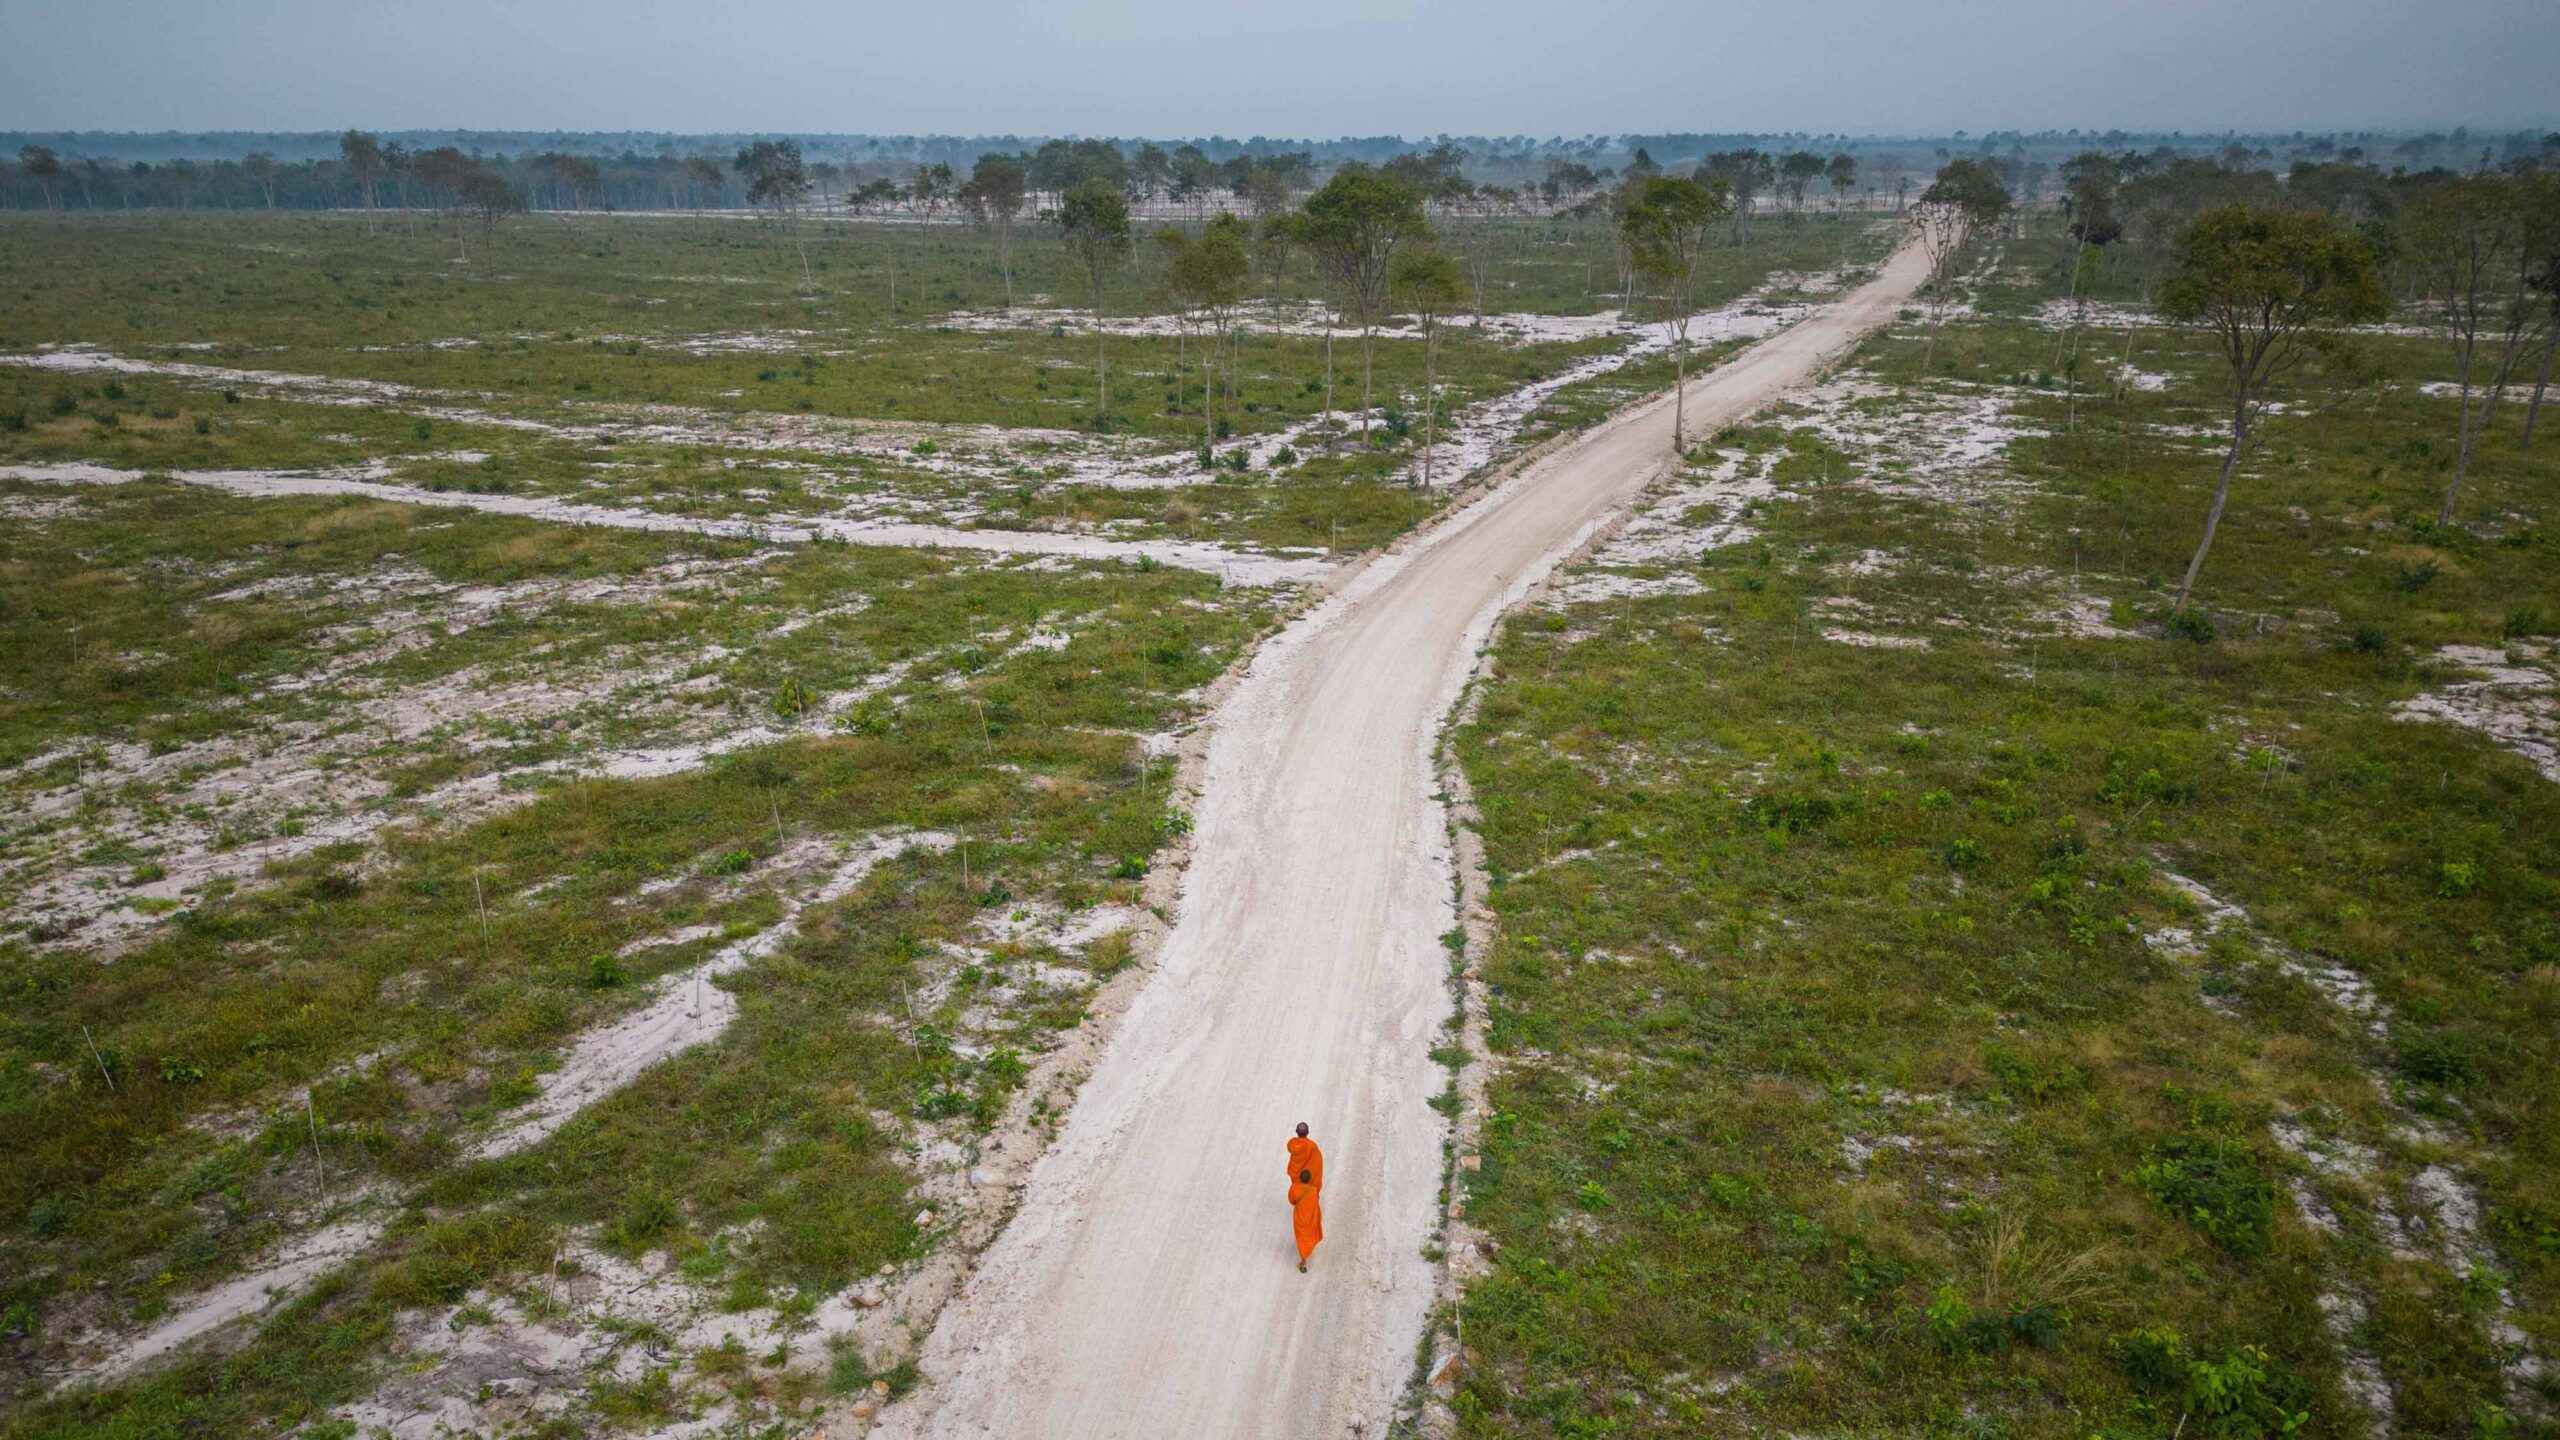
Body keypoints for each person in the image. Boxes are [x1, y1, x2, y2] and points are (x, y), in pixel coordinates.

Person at [1289, 1166, 1323, 1272]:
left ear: (1300, 1178)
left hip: (1299, 1217)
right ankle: (1308, 1249)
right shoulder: (1313, 1190)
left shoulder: (1294, 1188)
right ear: (1309, 1179)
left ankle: (1303, 1262)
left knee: (1300, 1237)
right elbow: (1315, 1202)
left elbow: (1291, 1200)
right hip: (1309, 1217)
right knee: (1308, 1235)